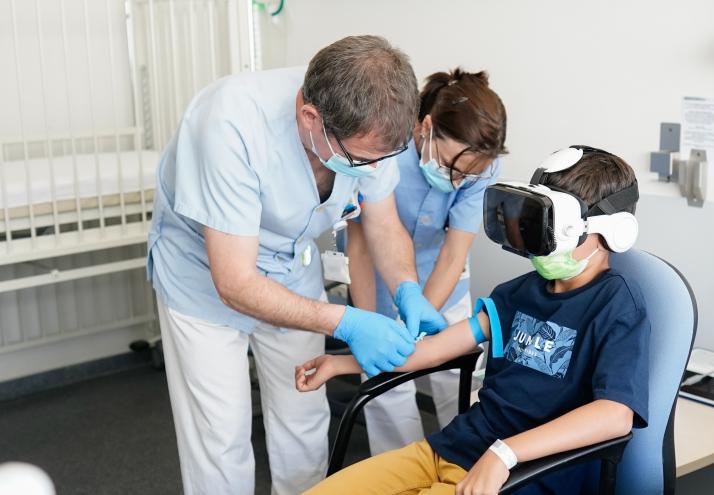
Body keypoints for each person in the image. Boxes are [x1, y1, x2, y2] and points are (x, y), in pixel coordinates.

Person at [146, 35, 447, 495]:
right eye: (360, 160)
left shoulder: (373, 129)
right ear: (310, 119)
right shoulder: (230, 125)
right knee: (220, 436)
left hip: (291, 261)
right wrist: (347, 321)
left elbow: (383, 225)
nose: (372, 170)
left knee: (304, 416)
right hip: (204, 277)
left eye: (381, 160)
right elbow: (235, 282)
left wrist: (407, 286)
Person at [297, 146, 650, 494]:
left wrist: (505, 454)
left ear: (614, 232)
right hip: (453, 448)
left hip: (526, 473)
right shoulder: (516, 294)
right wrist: (342, 363)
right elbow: (432, 350)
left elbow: (614, 414)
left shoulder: (616, 304)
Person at [345, 68, 507, 455]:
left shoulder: (482, 167)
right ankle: (403, 475)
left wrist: (418, 322)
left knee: (459, 385)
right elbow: (363, 248)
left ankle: (457, 471)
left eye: (469, 175)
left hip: (443, 286)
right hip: (378, 289)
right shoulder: (381, 145)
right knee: (387, 388)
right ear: (427, 126)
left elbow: (454, 254)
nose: (457, 180)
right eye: (451, 166)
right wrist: (368, 324)